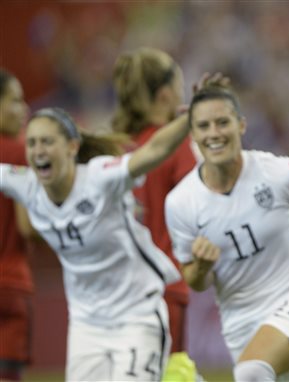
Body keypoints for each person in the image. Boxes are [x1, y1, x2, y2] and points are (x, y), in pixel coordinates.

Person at [164, 83, 289, 381]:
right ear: (193, 134)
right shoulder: (180, 202)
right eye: (203, 125)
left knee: (251, 371)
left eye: (222, 122)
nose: (214, 133)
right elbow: (196, 281)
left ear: (241, 125)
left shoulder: (278, 172)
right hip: (240, 323)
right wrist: (201, 266)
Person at [0, 105, 190, 381]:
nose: (38, 150)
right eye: (31, 143)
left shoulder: (100, 178)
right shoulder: (26, 185)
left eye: (47, 141)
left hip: (137, 315)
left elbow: (153, 152)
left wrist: (188, 118)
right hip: (86, 325)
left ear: (72, 147)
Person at [111, 47, 198, 379]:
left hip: (117, 291)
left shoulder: (114, 148)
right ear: (165, 95)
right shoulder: (175, 147)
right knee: (171, 373)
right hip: (164, 285)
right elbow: (199, 206)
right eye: (178, 85)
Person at [0, 69, 32, 381]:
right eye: (14, 100)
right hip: (10, 284)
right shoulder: (21, 151)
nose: (24, 109)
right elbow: (26, 227)